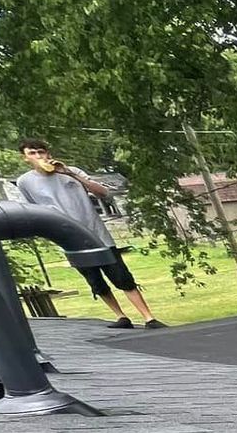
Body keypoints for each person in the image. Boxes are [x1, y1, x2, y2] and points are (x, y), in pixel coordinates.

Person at [13, 139, 164, 329]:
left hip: (96, 233)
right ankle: (121, 316)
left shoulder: (72, 171)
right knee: (95, 280)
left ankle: (149, 317)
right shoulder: (24, 181)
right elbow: (34, 210)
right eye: (32, 153)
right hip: (68, 238)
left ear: (48, 153)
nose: (38, 156)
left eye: (41, 152)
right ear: (25, 158)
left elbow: (104, 193)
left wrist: (69, 173)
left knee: (121, 276)